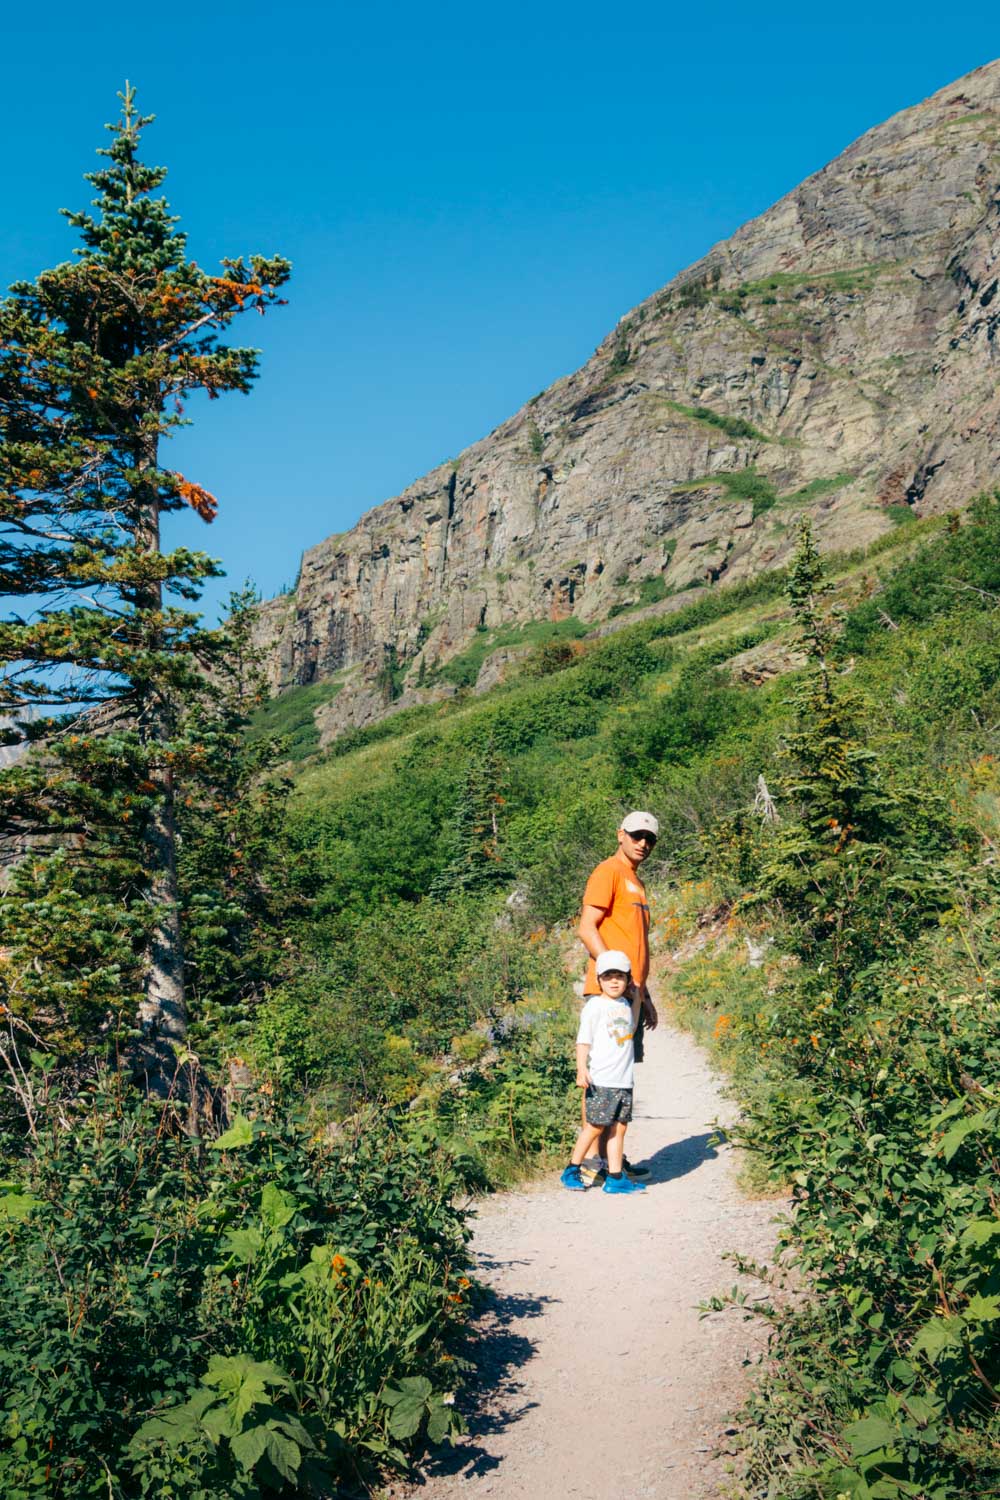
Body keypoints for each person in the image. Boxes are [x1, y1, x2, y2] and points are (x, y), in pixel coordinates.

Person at [576, 810, 659, 1183]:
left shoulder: (636, 882)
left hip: (630, 997)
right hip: (608, 997)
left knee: (618, 1078)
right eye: (638, 835)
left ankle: (613, 1160)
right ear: (620, 835)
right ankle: (592, 1160)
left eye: (650, 838)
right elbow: (586, 927)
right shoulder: (607, 871)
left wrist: (644, 993)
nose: (644, 843)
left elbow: (636, 947)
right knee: (600, 1078)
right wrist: (613, 975)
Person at [560, 951, 645, 1195]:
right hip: (601, 1080)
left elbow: (631, 1027)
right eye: (608, 977)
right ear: (599, 980)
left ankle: (616, 1178)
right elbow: (583, 1040)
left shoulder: (625, 1005)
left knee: (619, 1129)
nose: (614, 982)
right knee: (595, 1126)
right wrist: (580, 1069)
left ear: (628, 980)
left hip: (623, 1080)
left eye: (620, 976)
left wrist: (638, 1001)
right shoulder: (595, 1006)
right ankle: (572, 1169)